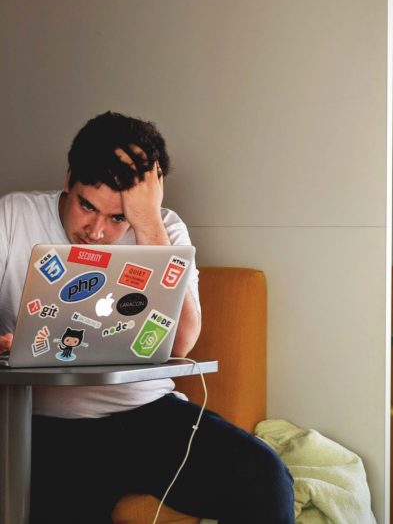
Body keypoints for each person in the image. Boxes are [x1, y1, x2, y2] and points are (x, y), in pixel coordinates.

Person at [0, 111, 294, 524]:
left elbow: (181, 343)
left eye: (117, 217)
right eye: (87, 206)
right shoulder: (14, 216)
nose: (97, 231)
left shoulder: (164, 228)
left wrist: (148, 224)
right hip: (49, 425)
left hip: (148, 414)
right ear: (68, 179)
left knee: (265, 476)